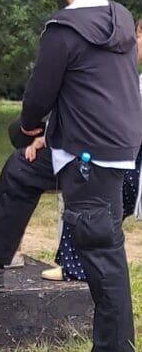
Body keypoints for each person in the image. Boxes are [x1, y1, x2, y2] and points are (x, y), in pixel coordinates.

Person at [0, 0, 142, 352]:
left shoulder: (64, 30)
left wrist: (28, 128)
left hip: (89, 156)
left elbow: (40, 93)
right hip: (88, 142)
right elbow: (87, 87)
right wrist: (40, 138)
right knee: (21, 170)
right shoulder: (120, 16)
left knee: (101, 249)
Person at [44, 14, 142, 281]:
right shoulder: (123, 69)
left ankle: (82, 266)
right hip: (109, 149)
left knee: (98, 213)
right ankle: (74, 265)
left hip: (126, 157)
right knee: (84, 203)